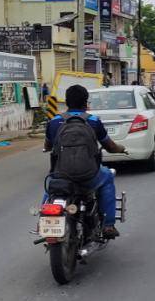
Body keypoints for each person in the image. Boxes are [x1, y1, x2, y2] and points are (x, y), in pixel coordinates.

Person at [44, 85, 126, 239]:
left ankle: (44, 219)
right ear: (86, 102)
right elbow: (110, 146)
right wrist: (121, 149)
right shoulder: (94, 121)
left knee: (50, 188)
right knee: (107, 176)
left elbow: (47, 146)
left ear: (66, 101)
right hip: (89, 176)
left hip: (61, 175)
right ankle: (108, 225)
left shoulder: (54, 122)